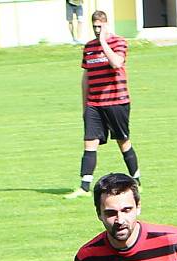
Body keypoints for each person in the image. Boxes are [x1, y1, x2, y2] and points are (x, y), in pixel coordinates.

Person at [65, 11, 141, 200]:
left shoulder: (119, 42)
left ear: (107, 25)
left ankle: (137, 180)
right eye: (95, 27)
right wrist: (85, 107)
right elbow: (86, 78)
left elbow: (116, 63)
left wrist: (104, 42)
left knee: (123, 141)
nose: (97, 30)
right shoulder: (88, 47)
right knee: (89, 142)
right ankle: (84, 187)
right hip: (94, 104)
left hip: (117, 102)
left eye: (100, 26)